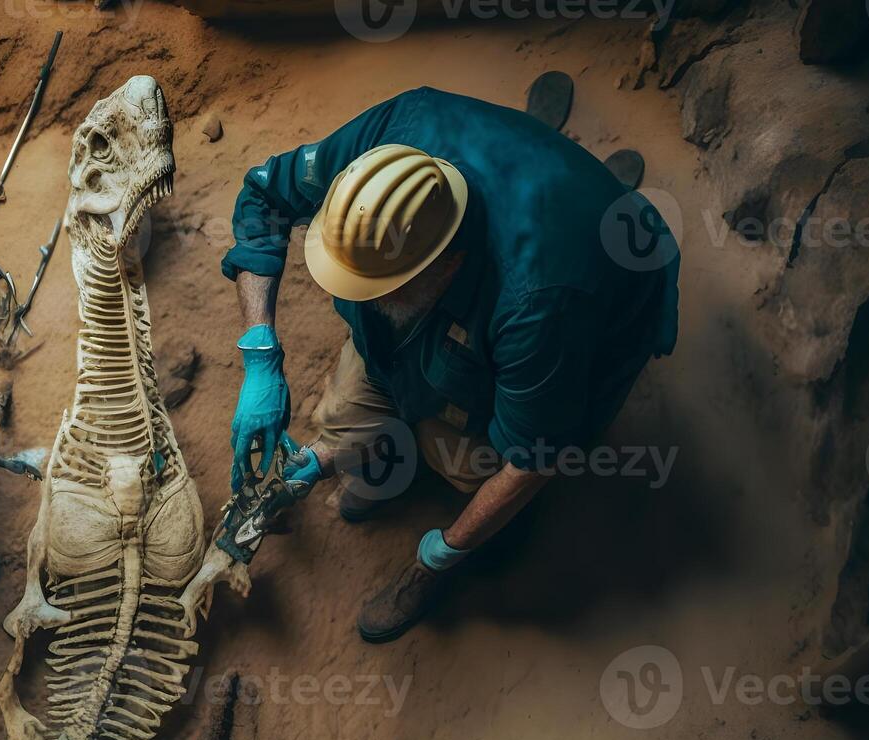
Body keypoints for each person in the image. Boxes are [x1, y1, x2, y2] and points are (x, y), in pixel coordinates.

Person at [222, 87, 679, 643]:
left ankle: (595, 205)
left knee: (470, 465)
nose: (355, 299)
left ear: (447, 262)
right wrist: (260, 354)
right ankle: (552, 164)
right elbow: (263, 197)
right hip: (496, 202)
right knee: (347, 403)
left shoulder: (539, 303)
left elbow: (531, 458)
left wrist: (438, 555)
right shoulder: (381, 151)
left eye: (377, 289)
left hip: (588, 280)